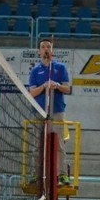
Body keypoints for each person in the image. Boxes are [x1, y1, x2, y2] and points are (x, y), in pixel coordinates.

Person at [28, 38, 72, 185]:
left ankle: (62, 175)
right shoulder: (35, 71)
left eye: (48, 46)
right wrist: (43, 86)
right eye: (43, 47)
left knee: (59, 144)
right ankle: (35, 174)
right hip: (38, 112)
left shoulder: (60, 68)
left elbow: (67, 89)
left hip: (57, 111)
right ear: (39, 51)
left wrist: (56, 85)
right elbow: (32, 92)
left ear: (52, 50)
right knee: (37, 144)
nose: (46, 49)